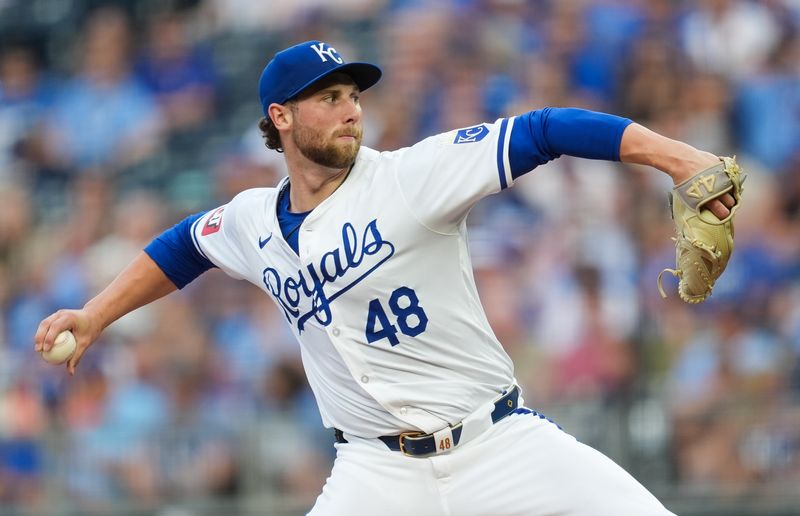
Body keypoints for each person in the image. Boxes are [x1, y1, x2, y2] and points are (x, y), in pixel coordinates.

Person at [35, 40, 737, 515]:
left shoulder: (412, 177)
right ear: (280, 118)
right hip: (377, 476)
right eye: (329, 97)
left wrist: (674, 158)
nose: (350, 109)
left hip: (499, 445)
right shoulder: (251, 219)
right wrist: (94, 316)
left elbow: (545, 129)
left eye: (353, 95)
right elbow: (183, 247)